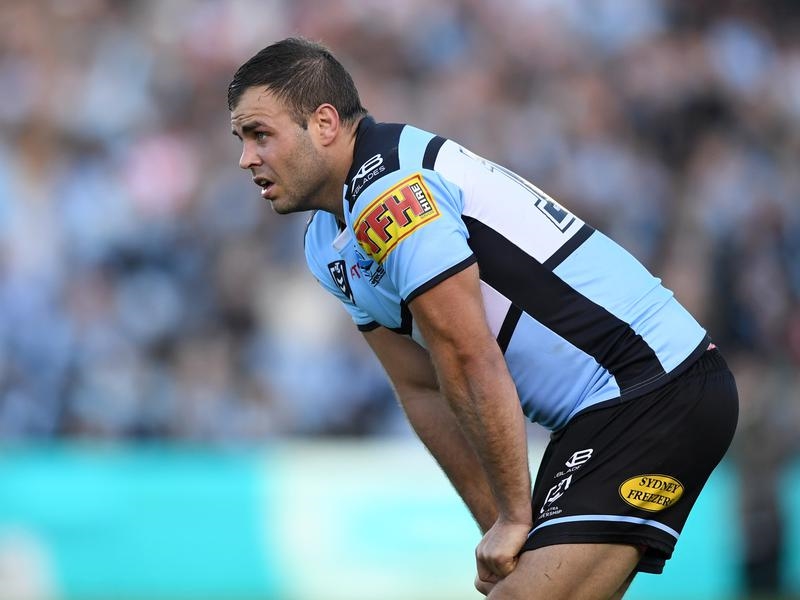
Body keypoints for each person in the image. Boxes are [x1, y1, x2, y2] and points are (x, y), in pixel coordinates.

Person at [227, 37, 739, 599]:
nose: (247, 158)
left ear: (324, 123)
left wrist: (515, 517)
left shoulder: (393, 191)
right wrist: (498, 520)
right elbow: (421, 386)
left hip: (651, 385)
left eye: (260, 134)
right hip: (602, 413)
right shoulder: (325, 243)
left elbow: (467, 354)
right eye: (241, 139)